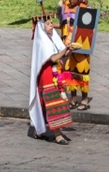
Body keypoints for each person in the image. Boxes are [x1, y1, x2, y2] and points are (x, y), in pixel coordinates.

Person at [29, 17, 78, 145]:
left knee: (49, 104)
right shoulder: (42, 41)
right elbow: (52, 58)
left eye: (51, 23)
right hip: (46, 77)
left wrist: (69, 52)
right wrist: (65, 49)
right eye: (48, 24)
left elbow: (62, 60)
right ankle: (57, 134)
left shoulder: (53, 38)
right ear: (41, 27)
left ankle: (38, 130)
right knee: (52, 103)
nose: (51, 25)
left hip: (56, 75)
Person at [57, 0, 92, 111]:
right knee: (69, 74)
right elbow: (61, 25)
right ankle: (72, 100)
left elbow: (88, 29)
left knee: (82, 73)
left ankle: (84, 100)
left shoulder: (85, 9)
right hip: (67, 47)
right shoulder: (64, 9)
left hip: (81, 47)